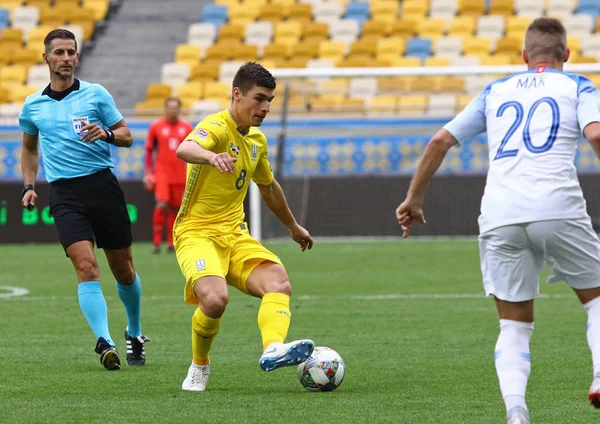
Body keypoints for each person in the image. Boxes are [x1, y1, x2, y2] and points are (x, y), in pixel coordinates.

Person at [396, 18, 600, 424]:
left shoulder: (496, 91)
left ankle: (516, 411)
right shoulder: (579, 86)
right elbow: (595, 135)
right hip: (557, 205)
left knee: (514, 323)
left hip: (500, 214)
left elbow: (440, 141)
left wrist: (413, 199)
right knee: (597, 301)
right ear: (567, 55)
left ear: (525, 56)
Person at [173, 62, 315, 392]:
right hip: (197, 232)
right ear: (237, 95)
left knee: (279, 282)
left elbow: (268, 187)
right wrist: (211, 158)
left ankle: (273, 349)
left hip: (235, 234)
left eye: (270, 100)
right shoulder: (216, 126)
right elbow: (184, 148)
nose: (265, 107)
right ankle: (199, 365)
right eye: (259, 99)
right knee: (214, 300)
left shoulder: (257, 142)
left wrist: (293, 226)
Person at [19, 29, 150, 371]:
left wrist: (105, 133)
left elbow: (126, 135)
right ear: (45, 58)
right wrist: (29, 185)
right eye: (59, 52)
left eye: (71, 52)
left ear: (77, 57)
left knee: (123, 271)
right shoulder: (33, 106)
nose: (65, 57)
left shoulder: (96, 94)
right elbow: (30, 149)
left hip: (102, 187)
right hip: (64, 193)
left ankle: (134, 332)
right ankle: (104, 340)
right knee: (86, 267)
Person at [144, 97, 193, 254]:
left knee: (175, 209)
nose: (173, 110)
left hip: (180, 174)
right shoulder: (156, 127)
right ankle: (156, 242)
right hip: (162, 173)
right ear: (165, 109)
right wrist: (148, 172)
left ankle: (171, 243)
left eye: (175, 107)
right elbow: (149, 150)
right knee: (162, 204)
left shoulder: (187, 128)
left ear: (180, 109)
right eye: (170, 107)